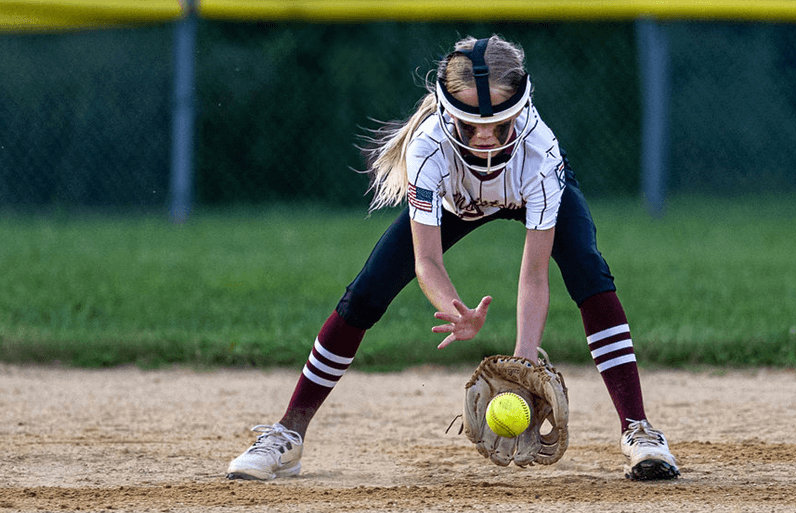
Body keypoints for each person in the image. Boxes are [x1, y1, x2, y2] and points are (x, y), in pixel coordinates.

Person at [226, 34, 679, 482]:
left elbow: (534, 274)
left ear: (521, 111)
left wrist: (524, 362)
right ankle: (288, 433)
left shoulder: (540, 153)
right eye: (470, 125)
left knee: (588, 271)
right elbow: (427, 262)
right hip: (455, 200)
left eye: (500, 125)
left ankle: (638, 431)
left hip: (524, 194)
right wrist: (453, 307)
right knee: (365, 294)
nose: (485, 139)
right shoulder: (427, 149)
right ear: (446, 113)